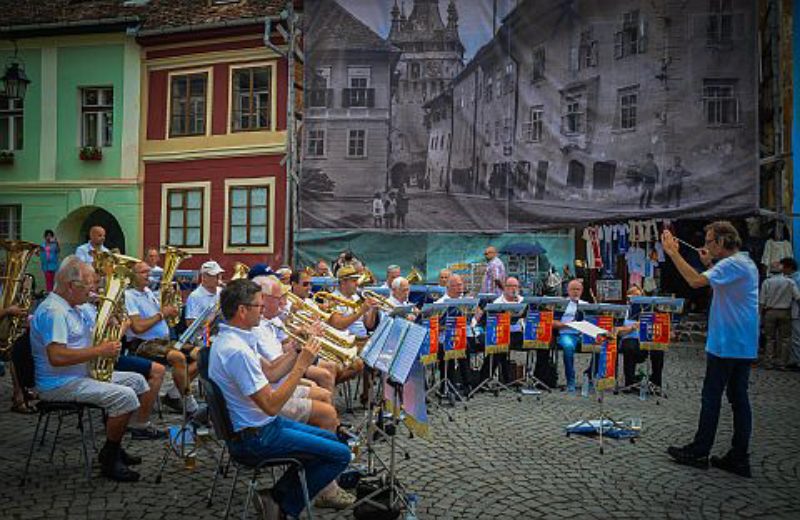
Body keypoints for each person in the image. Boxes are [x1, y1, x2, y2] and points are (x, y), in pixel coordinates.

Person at [209, 279, 351, 518]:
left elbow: (272, 371)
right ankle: (283, 507)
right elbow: (272, 405)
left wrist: (297, 349)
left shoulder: (235, 338)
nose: (263, 311)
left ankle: (275, 496)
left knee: (331, 438)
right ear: (242, 310)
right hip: (256, 437)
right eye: (258, 307)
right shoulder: (236, 351)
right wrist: (302, 365)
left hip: (259, 427)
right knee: (340, 454)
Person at [29, 256, 149, 481]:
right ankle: (109, 457)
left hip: (80, 374)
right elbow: (57, 356)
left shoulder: (76, 307)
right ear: (72, 286)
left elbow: (96, 337)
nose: (94, 289)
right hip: (58, 384)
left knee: (138, 381)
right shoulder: (54, 311)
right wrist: (99, 351)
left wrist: (115, 326)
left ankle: (114, 444)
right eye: (90, 285)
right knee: (125, 396)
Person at [663, 222, 758, 478]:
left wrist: (673, 253)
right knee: (739, 399)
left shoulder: (732, 264)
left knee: (712, 397)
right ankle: (739, 457)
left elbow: (694, 282)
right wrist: (708, 265)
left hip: (727, 342)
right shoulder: (743, 263)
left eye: (709, 241)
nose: (705, 246)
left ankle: (700, 450)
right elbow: (721, 282)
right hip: (742, 342)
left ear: (722, 242)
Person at [251, 276, 354, 510]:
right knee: (327, 416)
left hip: (267, 402)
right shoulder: (250, 334)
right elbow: (273, 375)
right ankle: (324, 488)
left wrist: (300, 341)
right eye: (279, 298)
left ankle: (320, 477)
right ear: (262, 300)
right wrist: (301, 355)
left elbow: (275, 363)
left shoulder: (266, 325)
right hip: (263, 414)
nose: (284, 303)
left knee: (324, 398)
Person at [125, 262, 199, 416]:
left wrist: (171, 308)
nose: (148, 275)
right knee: (178, 357)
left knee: (202, 354)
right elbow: (137, 327)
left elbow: (163, 317)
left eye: (149, 271)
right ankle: (188, 402)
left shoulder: (149, 292)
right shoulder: (129, 295)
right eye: (143, 272)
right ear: (133, 275)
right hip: (143, 344)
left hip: (163, 341)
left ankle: (173, 395)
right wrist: (162, 314)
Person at [616, 285, 665, 391]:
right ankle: (630, 381)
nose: (635, 297)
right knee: (629, 347)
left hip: (648, 338)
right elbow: (617, 331)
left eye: (638, 295)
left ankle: (656, 382)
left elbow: (661, 324)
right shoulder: (623, 310)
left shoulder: (650, 308)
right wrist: (631, 328)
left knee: (658, 349)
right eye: (632, 295)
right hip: (630, 337)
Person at [478, 277, 522, 385]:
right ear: (505, 288)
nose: (513, 289)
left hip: (518, 333)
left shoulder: (522, 301)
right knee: (499, 346)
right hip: (501, 333)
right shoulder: (497, 303)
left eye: (515, 286)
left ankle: (486, 378)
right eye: (510, 286)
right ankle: (500, 378)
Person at [435, 274, 472, 394]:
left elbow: (471, 320)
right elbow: (435, 326)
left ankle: (467, 384)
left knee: (466, 347)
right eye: (457, 285)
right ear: (449, 287)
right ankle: (446, 385)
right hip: (443, 338)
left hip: (459, 337)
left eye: (461, 285)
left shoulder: (464, 302)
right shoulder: (440, 303)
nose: (460, 288)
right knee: (447, 351)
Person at [759, 264, 800, 370]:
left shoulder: (767, 282)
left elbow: (762, 300)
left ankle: (768, 362)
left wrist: (760, 314)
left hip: (770, 312)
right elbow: (797, 297)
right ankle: (782, 363)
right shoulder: (790, 281)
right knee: (785, 339)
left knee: (769, 338)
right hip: (785, 312)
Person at [552, 279, 588, 393]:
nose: (575, 292)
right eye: (573, 289)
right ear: (568, 290)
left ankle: (590, 376)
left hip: (583, 334)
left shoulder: (586, 305)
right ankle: (570, 380)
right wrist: (566, 325)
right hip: (566, 333)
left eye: (578, 289)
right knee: (568, 347)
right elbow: (552, 322)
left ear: (582, 291)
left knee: (602, 344)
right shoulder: (562, 304)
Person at [185, 260, 224, 328]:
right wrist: (213, 318)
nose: (218, 278)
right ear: (204, 277)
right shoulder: (195, 296)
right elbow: (190, 324)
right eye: (214, 275)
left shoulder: (222, 292)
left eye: (219, 275)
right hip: (204, 336)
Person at [781, 257, 800, 369]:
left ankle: (797, 362)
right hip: (794, 311)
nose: (782, 270)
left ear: (789, 267)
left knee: (796, 338)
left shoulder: (795, 280)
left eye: (783, 267)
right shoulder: (793, 278)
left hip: (797, 312)